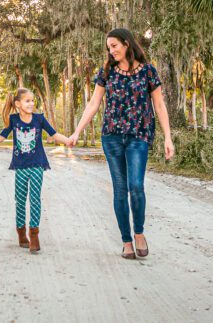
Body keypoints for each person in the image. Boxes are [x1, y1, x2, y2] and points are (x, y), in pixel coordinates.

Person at [68, 28, 175, 260]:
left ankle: (139, 233)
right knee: (119, 188)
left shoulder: (148, 71)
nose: (111, 50)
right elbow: (94, 103)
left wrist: (168, 137)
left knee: (136, 186)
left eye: (114, 45)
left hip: (139, 136)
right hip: (112, 136)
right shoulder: (107, 71)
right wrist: (77, 131)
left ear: (127, 44)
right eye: (109, 47)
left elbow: (159, 106)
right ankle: (126, 241)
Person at [0, 88, 71, 254]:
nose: (31, 103)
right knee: (20, 200)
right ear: (18, 104)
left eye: (32, 100)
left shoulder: (39, 119)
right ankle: (21, 232)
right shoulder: (14, 120)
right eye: (27, 101)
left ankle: (34, 234)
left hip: (37, 165)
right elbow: (2, 137)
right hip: (20, 166)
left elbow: (54, 134)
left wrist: (68, 140)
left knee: (35, 199)